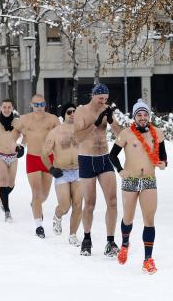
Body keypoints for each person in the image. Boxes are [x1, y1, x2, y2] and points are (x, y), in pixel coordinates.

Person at [109, 99, 167, 275]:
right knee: (128, 217)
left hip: (149, 179)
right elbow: (112, 156)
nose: (142, 118)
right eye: (139, 115)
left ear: (149, 116)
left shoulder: (157, 132)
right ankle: (125, 244)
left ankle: (147, 259)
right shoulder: (126, 134)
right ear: (134, 117)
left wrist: (163, 163)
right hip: (130, 180)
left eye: (145, 114)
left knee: (149, 219)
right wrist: (120, 171)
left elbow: (163, 157)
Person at [73, 82, 123, 256]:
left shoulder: (107, 109)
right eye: (100, 98)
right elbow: (77, 137)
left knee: (113, 201)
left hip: (104, 159)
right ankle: (86, 239)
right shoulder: (81, 111)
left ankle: (110, 241)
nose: (103, 101)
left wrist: (110, 121)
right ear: (93, 96)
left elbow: (121, 135)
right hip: (87, 160)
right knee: (90, 204)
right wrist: (95, 123)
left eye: (106, 99)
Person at [13, 94, 60, 238]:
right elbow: (13, 133)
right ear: (31, 105)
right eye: (36, 104)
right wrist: (17, 145)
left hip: (48, 158)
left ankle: (35, 204)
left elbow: (62, 135)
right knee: (36, 192)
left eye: (41, 104)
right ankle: (39, 226)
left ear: (45, 104)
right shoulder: (24, 119)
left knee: (43, 195)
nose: (39, 107)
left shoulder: (52, 119)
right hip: (32, 158)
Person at [42, 103, 82, 246]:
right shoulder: (55, 132)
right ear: (64, 114)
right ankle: (58, 215)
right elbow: (44, 154)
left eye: (74, 112)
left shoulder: (81, 130)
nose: (72, 114)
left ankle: (73, 235)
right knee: (65, 206)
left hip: (79, 172)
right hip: (62, 173)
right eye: (69, 112)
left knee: (78, 205)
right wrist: (51, 169)